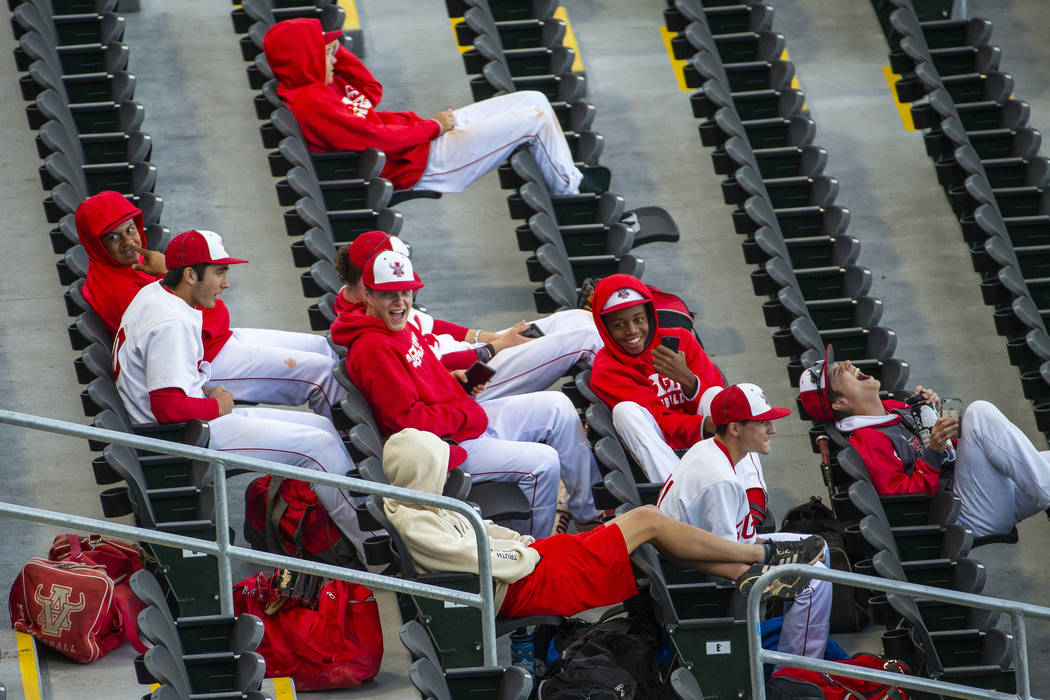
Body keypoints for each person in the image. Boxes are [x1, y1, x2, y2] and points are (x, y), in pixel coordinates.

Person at [113, 229, 374, 561]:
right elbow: (166, 408)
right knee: (318, 447)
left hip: (180, 423)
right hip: (179, 437)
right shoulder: (170, 325)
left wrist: (203, 390)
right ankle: (376, 551)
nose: (226, 284)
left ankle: (359, 526)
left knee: (322, 430)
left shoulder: (159, 291)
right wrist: (215, 404)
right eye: (219, 273)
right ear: (190, 274)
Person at [382, 428, 826, 617]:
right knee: (648, 521)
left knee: (650, 533)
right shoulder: (419, 523)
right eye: (443, 468)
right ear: (424, 475)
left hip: (532, 564)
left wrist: (520, 541)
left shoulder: (424, 504)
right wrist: (524, 550)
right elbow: (493, 559)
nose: (453, 476)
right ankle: (761, 556)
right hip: (526, 583)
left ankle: (750, 574)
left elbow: (486, 532)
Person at [330, 248, 601, 538]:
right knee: (543, 464)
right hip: (443, 449)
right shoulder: (374, 348)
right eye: (389, 294)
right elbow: (406, 422)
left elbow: (421, 376)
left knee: (557, 406)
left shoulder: (394, 325)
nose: (400, 302)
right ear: (368, 295)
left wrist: (453, 382)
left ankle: (590, 514)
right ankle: (532, 556)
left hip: (458, 423)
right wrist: (463, 413)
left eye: (406, 292)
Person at [75, 191, 345, 422]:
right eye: (113, 237)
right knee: (322, 374)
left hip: (217, 339)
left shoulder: (122, 269)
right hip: (204, 358)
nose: (128, 242)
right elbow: (191, 321)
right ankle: (352, 450)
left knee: (322, 348)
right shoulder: (117, 288)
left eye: (130, 229)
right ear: (96, 245)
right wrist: (169, 271)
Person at [262, 18, 584, 195]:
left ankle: (567, 177)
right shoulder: (312, 102)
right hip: (422, 162)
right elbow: (377, 139)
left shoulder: (315, 85)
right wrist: (434, 126)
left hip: (417, 141)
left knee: (533, 99)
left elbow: (370, 93)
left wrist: (335, 53)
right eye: (325, 51)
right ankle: (573, 193)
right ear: (305, 57)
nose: (333, 56)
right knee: (535, 119)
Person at [799, 345, 1050, 538]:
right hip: (962, 515)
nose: (846, 363)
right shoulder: (867, 441)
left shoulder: (894, 407)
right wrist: (932, 452)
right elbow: (906, 503)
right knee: (979, 411)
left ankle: (1044, 488)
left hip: (979, 492)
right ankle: (1045, 490)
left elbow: (956, 444)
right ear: (840, 403)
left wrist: (940, 413)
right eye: (836, 373)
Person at [657, 384, 832, 660]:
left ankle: (796, 648)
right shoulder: (719, 479)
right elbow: (724, 561)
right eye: (763, 423)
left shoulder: (714, 449)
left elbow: (737, 540)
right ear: (736, 428)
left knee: (820, 546)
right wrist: (771, 564)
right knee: (815, 583)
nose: (772, 429)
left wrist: (774, 551)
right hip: (705, 581)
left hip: (713, 558)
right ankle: (795, 674)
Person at [331, 230, 602, 400]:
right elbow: (430, 368)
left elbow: (433, 325)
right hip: (469, 377)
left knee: (576, 317)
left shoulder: (378, 302)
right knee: (583, 337)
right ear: (370, 283)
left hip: (476, 352)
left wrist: (491, 337)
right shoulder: (373, 319)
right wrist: (494, 347)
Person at [589, 275, 770, 516]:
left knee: (720, 396)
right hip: (662, 449)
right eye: (619, 324)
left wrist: (688, 381)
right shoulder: (606, 368)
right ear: (606, 328)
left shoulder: (681, 339)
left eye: (638, 319)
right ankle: (683, 502)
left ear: (650, 315)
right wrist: (705, 424)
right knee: (626, 412)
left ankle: (752, 502)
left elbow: (722, 400)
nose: (632, 331)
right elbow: (660, 422)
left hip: (707, 438)